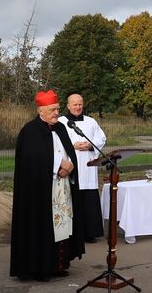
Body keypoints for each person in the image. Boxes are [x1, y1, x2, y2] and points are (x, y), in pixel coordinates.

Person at [10, 90, 85, 281]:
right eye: (52, 110)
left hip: (62, 188)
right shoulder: (30, 131)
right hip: (41, 192)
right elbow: (32, 159)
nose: (56, 113)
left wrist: (70, 166)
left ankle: (58, 265)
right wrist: (58, 164)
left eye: (58, 109)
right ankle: (39, 267)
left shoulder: (60, 128)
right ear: (40, 110)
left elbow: (69, 153)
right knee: (43, 226)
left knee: (62, 226)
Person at [59, 93, 106, 243]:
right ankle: (72, 233)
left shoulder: (91, 121)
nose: (78, 107)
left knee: (89, 199)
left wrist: (91, 144)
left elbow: (101, 137)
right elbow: (56, 142)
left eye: (80, 104)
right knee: (72, 198)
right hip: (71, 166)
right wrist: (72, 146)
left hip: (88, 167)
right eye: (75, 104)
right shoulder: (61, 122)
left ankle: (90, 233)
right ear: (68, 106)